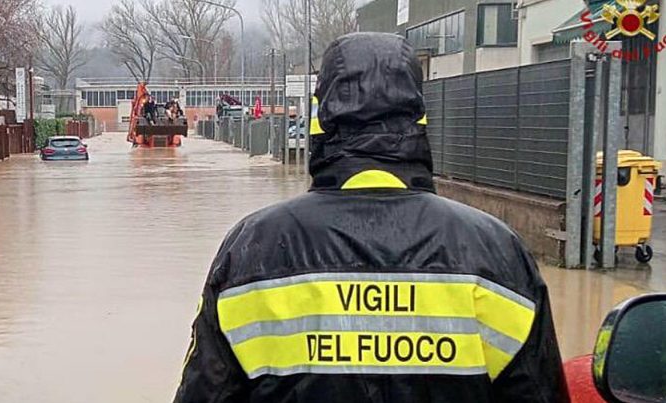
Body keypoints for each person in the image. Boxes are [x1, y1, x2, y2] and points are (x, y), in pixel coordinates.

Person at [173, 32, 569, 403]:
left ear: (320, 118)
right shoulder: (496, 252)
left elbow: (204, 392)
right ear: (419, 117)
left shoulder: (252, 249)